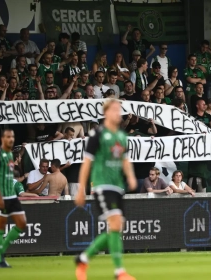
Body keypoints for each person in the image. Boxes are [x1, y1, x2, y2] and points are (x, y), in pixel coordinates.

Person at [75, 99, 137, 280]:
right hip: (101, 185)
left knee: (116, 228)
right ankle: (119, 272)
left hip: (118, 186)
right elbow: (86, 163)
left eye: (120, 110)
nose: (118, 113)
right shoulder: (98, 134)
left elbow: (124, 159)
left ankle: (83, 258)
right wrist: (81, 189)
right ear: (106, 113)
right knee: (116, 225)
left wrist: (131, 176)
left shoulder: (122, 136)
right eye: (115, 109)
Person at [0, 129, 27, 268]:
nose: (11, 139)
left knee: (22, 223)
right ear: (2, 138)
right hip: (0, 196)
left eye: (13, 136)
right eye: (8, 137)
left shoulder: (10, 154)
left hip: (11, 195)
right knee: (0, 226)